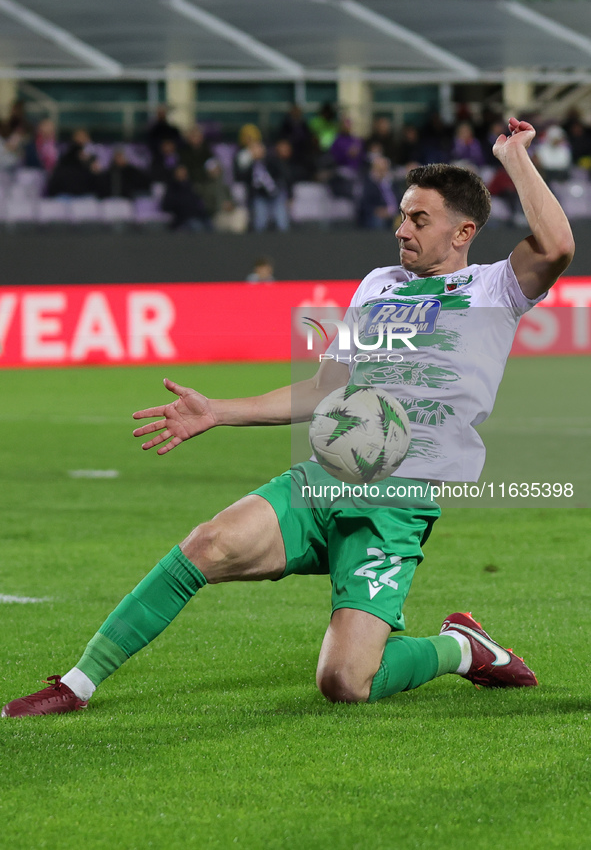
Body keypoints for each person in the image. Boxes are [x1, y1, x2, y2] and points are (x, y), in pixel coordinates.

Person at [2, 118, 574, 718]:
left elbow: (557, 245)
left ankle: (460, 648)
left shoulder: (495, 290)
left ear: (464, 231)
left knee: (345, 682)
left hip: (398, 501)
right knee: (208, 543)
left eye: (418, 219)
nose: (401, 229)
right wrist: (218, 412)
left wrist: (513, 158)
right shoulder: (378, 286)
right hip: (329, 476)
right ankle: (77, 683)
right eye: (402, 215)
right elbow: (327, 388)